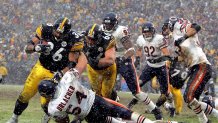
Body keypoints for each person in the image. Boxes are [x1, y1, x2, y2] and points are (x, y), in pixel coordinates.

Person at [7, 17, 87, 123]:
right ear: (53, 27)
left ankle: (48, 115)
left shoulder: (74, 39)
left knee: (48, 103)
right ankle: (14, 118)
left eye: (61, 33)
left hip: (57, 72)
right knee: (25, 94)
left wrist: (61, 74)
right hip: (41, 67)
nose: (57, 34)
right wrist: (37, 48)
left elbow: (71, 62)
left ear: (67, 33)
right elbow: (27, 48)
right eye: (56, 31)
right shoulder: (45, 29)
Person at [38, 69, 182, 123]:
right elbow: (76, 69)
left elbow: (64, 121)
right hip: (97, 101)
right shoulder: (66, 80)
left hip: (90, 116)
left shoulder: (53, 107)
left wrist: (77, 118)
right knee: (128, 114)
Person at [102, 12, 162, 120]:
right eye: (106, 25)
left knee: (136, 91)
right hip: (111, 61)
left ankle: (155, 110)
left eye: (110, 25)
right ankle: (116, 112)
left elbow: (131, 49)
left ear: (115, 24)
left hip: (124, 61)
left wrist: (122, 58)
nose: (107, 27)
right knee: (107, 90)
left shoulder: (121, 31)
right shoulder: (100, 29)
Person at [162, 16, 218, 123]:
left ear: (171, 24)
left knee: (189, 96)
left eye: (167, 27)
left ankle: (205, 120)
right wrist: (172, 61)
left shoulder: (180, 27)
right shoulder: (175, 38)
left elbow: (197, 26)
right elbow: (182, 57)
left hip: (201, 65)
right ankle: (211, 117)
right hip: (194, 67)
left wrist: (184, 36)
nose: (166, 30)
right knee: (190, 100)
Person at [128, 22, 175, 116]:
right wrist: (137, 59)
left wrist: (158, 59)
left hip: (161, 67)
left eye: (148, 32)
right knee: (138, 84)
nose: (147, 34)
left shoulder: (159, 39)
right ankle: (133, 103)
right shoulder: (140, 39)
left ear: (153, 31)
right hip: (149, 67)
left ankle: (172, 106)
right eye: (145, 33)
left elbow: (167, 55)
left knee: (165, 92)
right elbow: (139, 50)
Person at [83, 23, 117, 100]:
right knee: (96, 94)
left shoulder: (107, 40)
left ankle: (114, 101)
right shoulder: (81, 38)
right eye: (89, 38)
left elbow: (110, 60)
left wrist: (96, 61)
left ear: (99, 38)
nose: (90, 42)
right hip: (92, 69)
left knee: (106, 94)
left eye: (93, 39)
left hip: (108, 69)